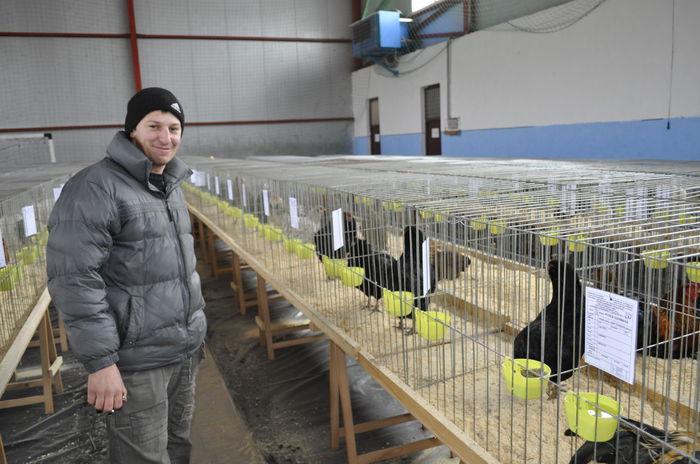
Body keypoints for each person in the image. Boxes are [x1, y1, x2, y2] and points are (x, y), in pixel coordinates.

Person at [47, 87, 207, 463]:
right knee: (144, 457)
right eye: (154, 125)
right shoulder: (95, 187)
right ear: (132, 129)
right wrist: (101, 363)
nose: (165, 137)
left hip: (183, 351)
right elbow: (74, 278)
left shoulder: (169, 185)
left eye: (173, 128)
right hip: (136, 360)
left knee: (178, 445)